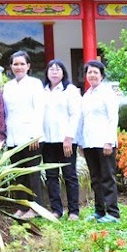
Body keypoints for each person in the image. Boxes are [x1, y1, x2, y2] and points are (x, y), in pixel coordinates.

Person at [2, 50, 45, 220]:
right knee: (18, 173)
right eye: (15, 64)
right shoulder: (9, 86)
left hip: (31, 137)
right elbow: (6, 113)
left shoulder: (35, 84)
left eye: (22, 64)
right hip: (14, 137)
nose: (18, 67)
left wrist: (36, 135)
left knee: (32, 173)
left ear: (28, 66)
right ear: (11, 66)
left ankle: (35, 207)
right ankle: (21, 206)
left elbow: (39, 110)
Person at [79, 60, 120, 223]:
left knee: (107, 177)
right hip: (90, 143)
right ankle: (99, 210)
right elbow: (84, 120)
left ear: (102, 75)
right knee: (95, 178)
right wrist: (82, 142)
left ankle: (113, 212)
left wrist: (109, 141)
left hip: (104, 143)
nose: (92, 75)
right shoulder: (87, 94)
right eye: (89, 72)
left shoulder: (107, 93)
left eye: (95, 72)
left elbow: (113, 118)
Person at [42, 59, 82, 221]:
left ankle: (73, 211)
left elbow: (75, 114)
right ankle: (56, 209)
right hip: (47, 140)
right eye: (51, 69)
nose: (54, 72)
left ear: (63, 72)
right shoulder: (42, 91)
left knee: (69, 175)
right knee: (51, 175)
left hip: (66, 140)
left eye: (58, 69)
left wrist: (69, 137)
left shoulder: (70, 90)